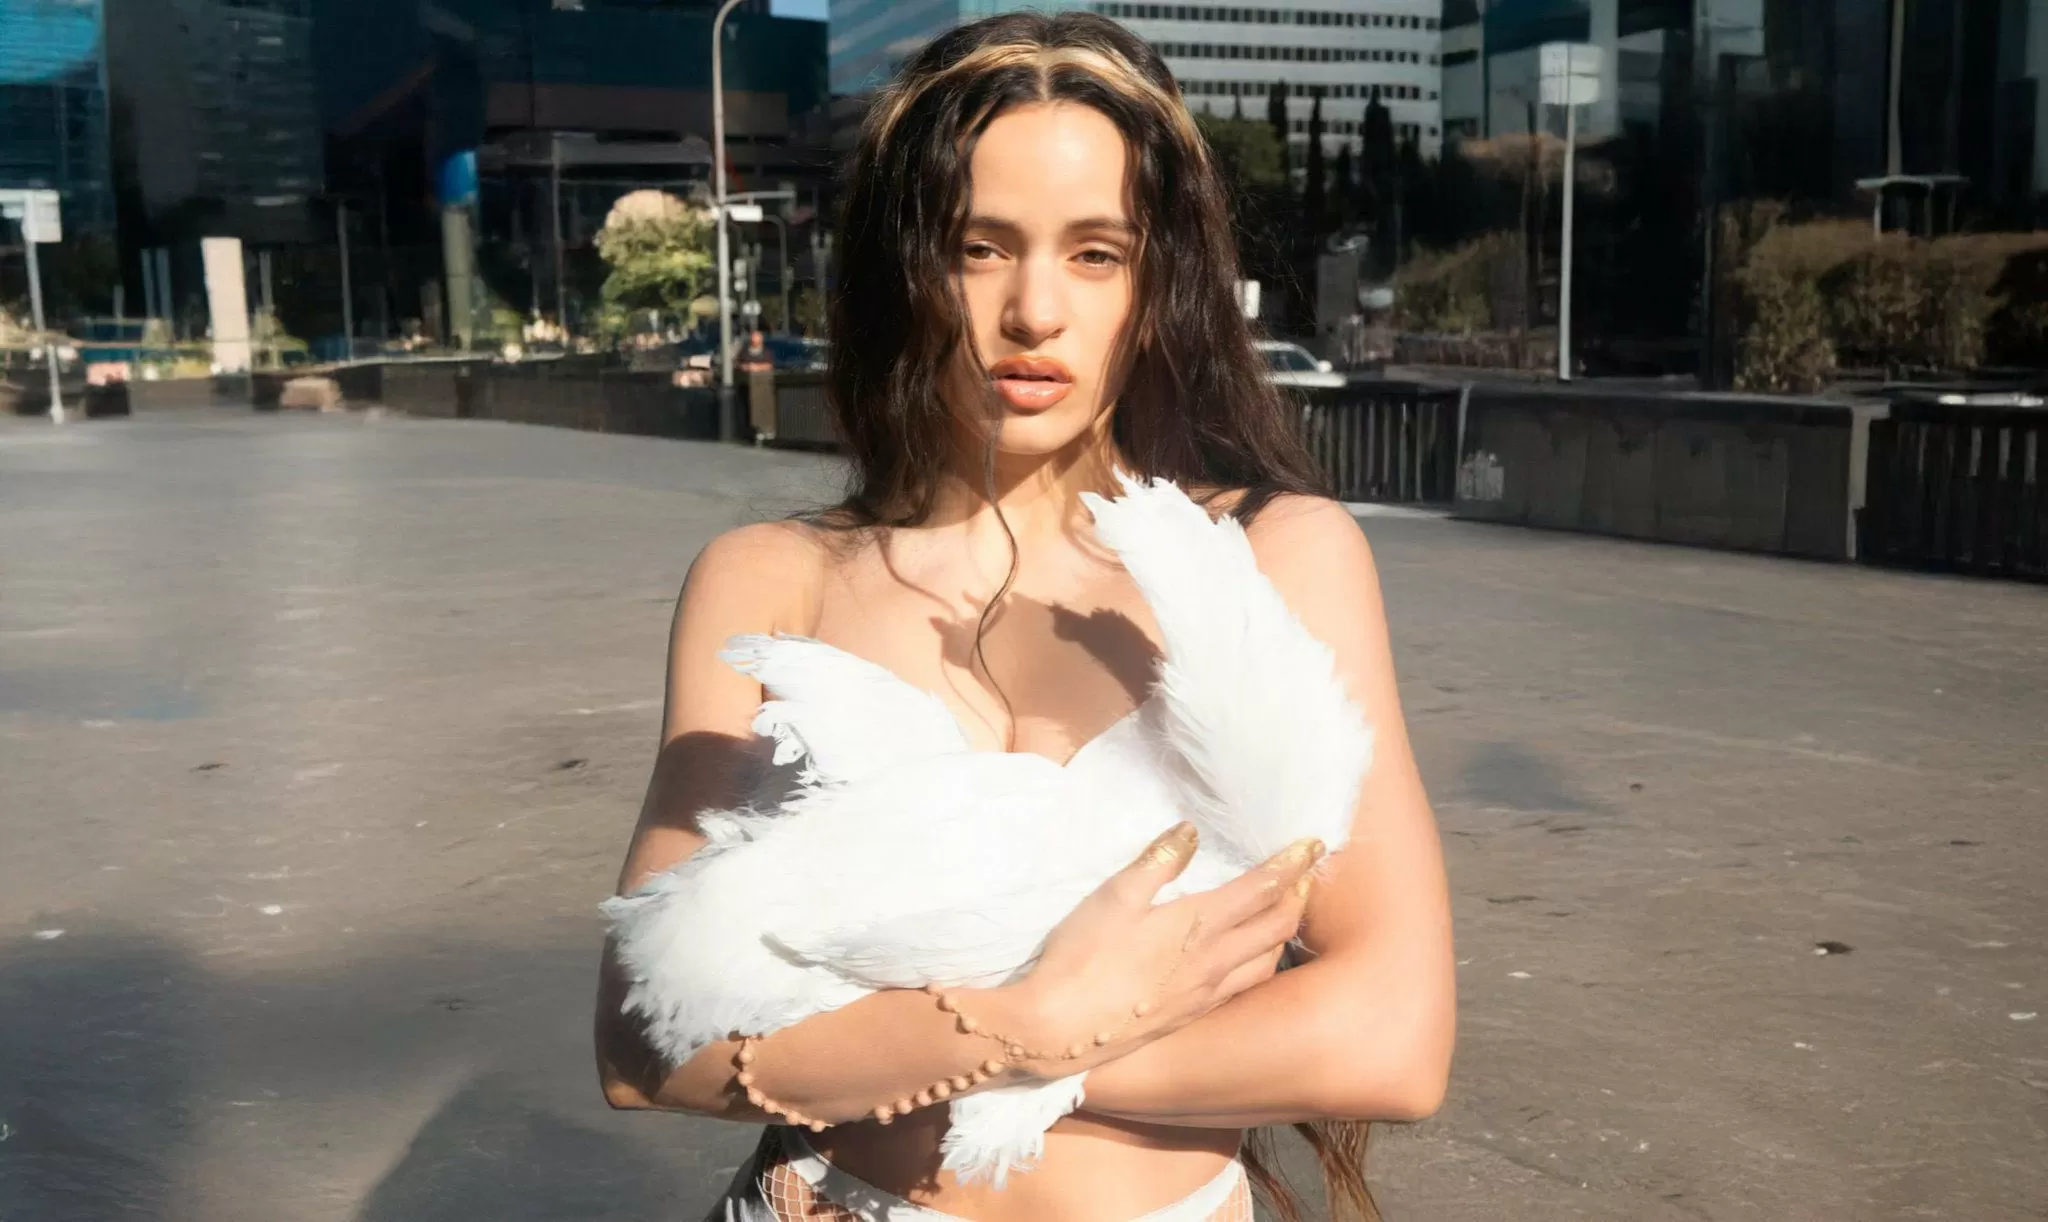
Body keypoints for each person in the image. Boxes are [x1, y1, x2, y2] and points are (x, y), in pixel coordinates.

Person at [595, 12, 1454, 1222]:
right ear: (905, 270)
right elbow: (642, 1044)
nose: (1033, 310)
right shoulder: (770, 577)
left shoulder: (1273, 555)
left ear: (1157, 284)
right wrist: (1021, 1025)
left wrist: (1014, 1044)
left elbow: (1392, 1037)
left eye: (1095, 253)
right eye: (979, 247)